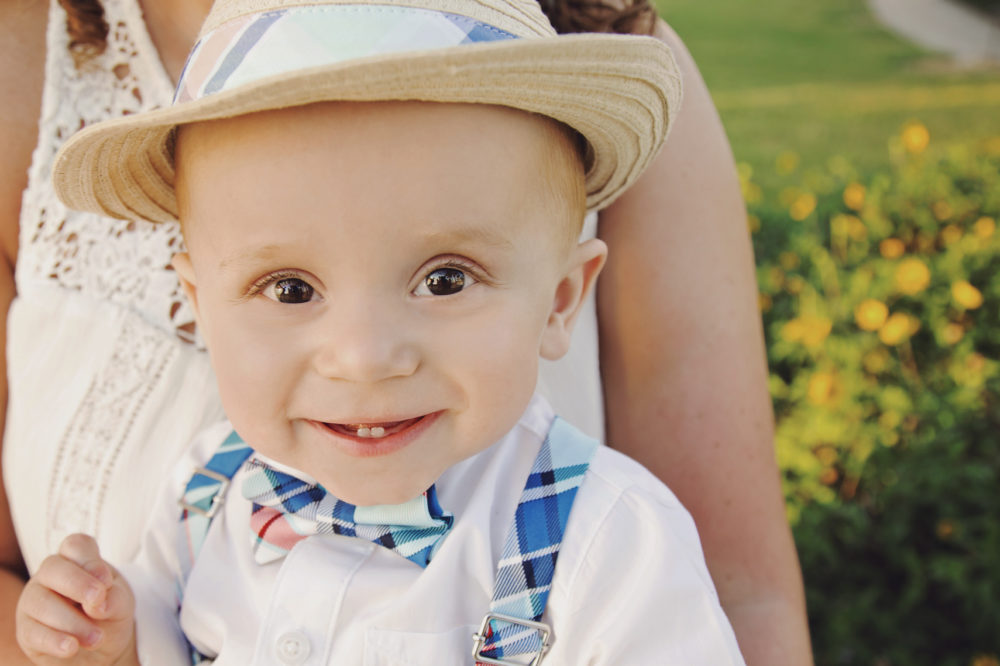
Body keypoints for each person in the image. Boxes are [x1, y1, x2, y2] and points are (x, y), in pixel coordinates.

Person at [0, 0, 811, 664]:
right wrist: (103, 639)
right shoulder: (203, 496)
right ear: (199, 303)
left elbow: (747, 603)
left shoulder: (609, 544)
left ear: (561, 298)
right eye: (289, 288)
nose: (364, 356)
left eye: (445, 279)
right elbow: (158, 631)